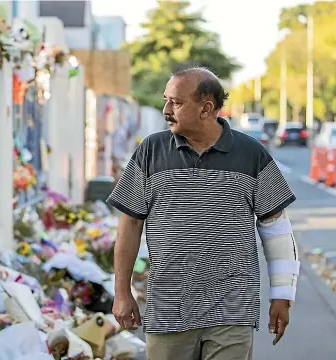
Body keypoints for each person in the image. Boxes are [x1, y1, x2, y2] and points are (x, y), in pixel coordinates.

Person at [107, 67, 299, 360]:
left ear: (207, 108)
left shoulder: (251, 154)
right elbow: (130, 223)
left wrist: (282, 296)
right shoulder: (151, 150)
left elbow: (276, 228)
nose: (166, 110)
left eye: (177, 102)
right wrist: (122, 291)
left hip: (232, 309)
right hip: (168, 308)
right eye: (166, 100)